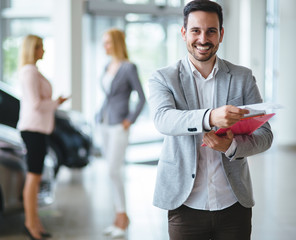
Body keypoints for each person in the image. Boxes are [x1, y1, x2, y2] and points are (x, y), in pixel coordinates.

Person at [148, 1, 273, 240]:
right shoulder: (163, 78)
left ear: (221, 34)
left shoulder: (242, 77)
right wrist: (210, 116)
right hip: (185, 204)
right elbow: (163, 120)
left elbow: (265, 135)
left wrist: (232, 146)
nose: (203, 39)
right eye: (195, 30)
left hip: (233, 203)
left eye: (211, 31)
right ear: (184, 32)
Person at [17, 34, 68, 240]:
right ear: (33, 49)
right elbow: (36, 104)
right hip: (33, 130)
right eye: (41, 47)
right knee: (33, 177)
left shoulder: (33, 71)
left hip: (38, 130)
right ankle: (30, 224)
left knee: (36, 177)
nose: (44, 51)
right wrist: (56, 102)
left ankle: (35, 221)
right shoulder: (29, 72)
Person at [97, 28, 146, 238]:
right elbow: (108, 96)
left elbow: (142, 98)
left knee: (113, 171)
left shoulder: (128, 68)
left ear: (116, 43)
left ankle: (122, 216)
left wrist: (130, 120)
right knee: (111, 172)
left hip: (119, 125)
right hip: (103, 123)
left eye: (107, 42)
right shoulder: (107, 65)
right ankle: (118, 217)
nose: (104, 46)